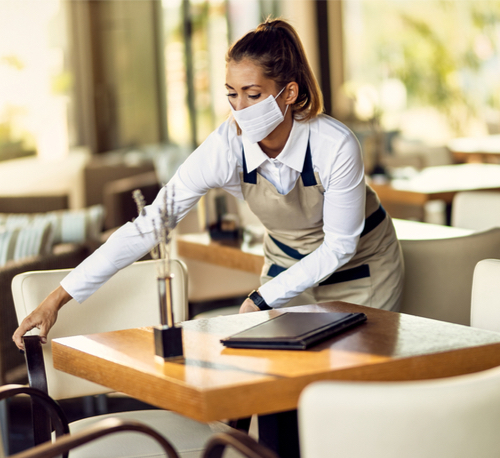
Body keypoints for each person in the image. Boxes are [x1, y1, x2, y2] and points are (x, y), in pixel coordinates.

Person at [13, 18, 404, 351]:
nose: (240, 109)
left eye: (253, 95)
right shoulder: (224, 148)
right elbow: (150, 225)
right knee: (271, 385)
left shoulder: (334, 145)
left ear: (289, 93)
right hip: (287, 264)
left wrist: (261, 298)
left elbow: (339, 246)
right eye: (232, 94)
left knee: (353, 385)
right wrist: (57, 298)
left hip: (361, 271)